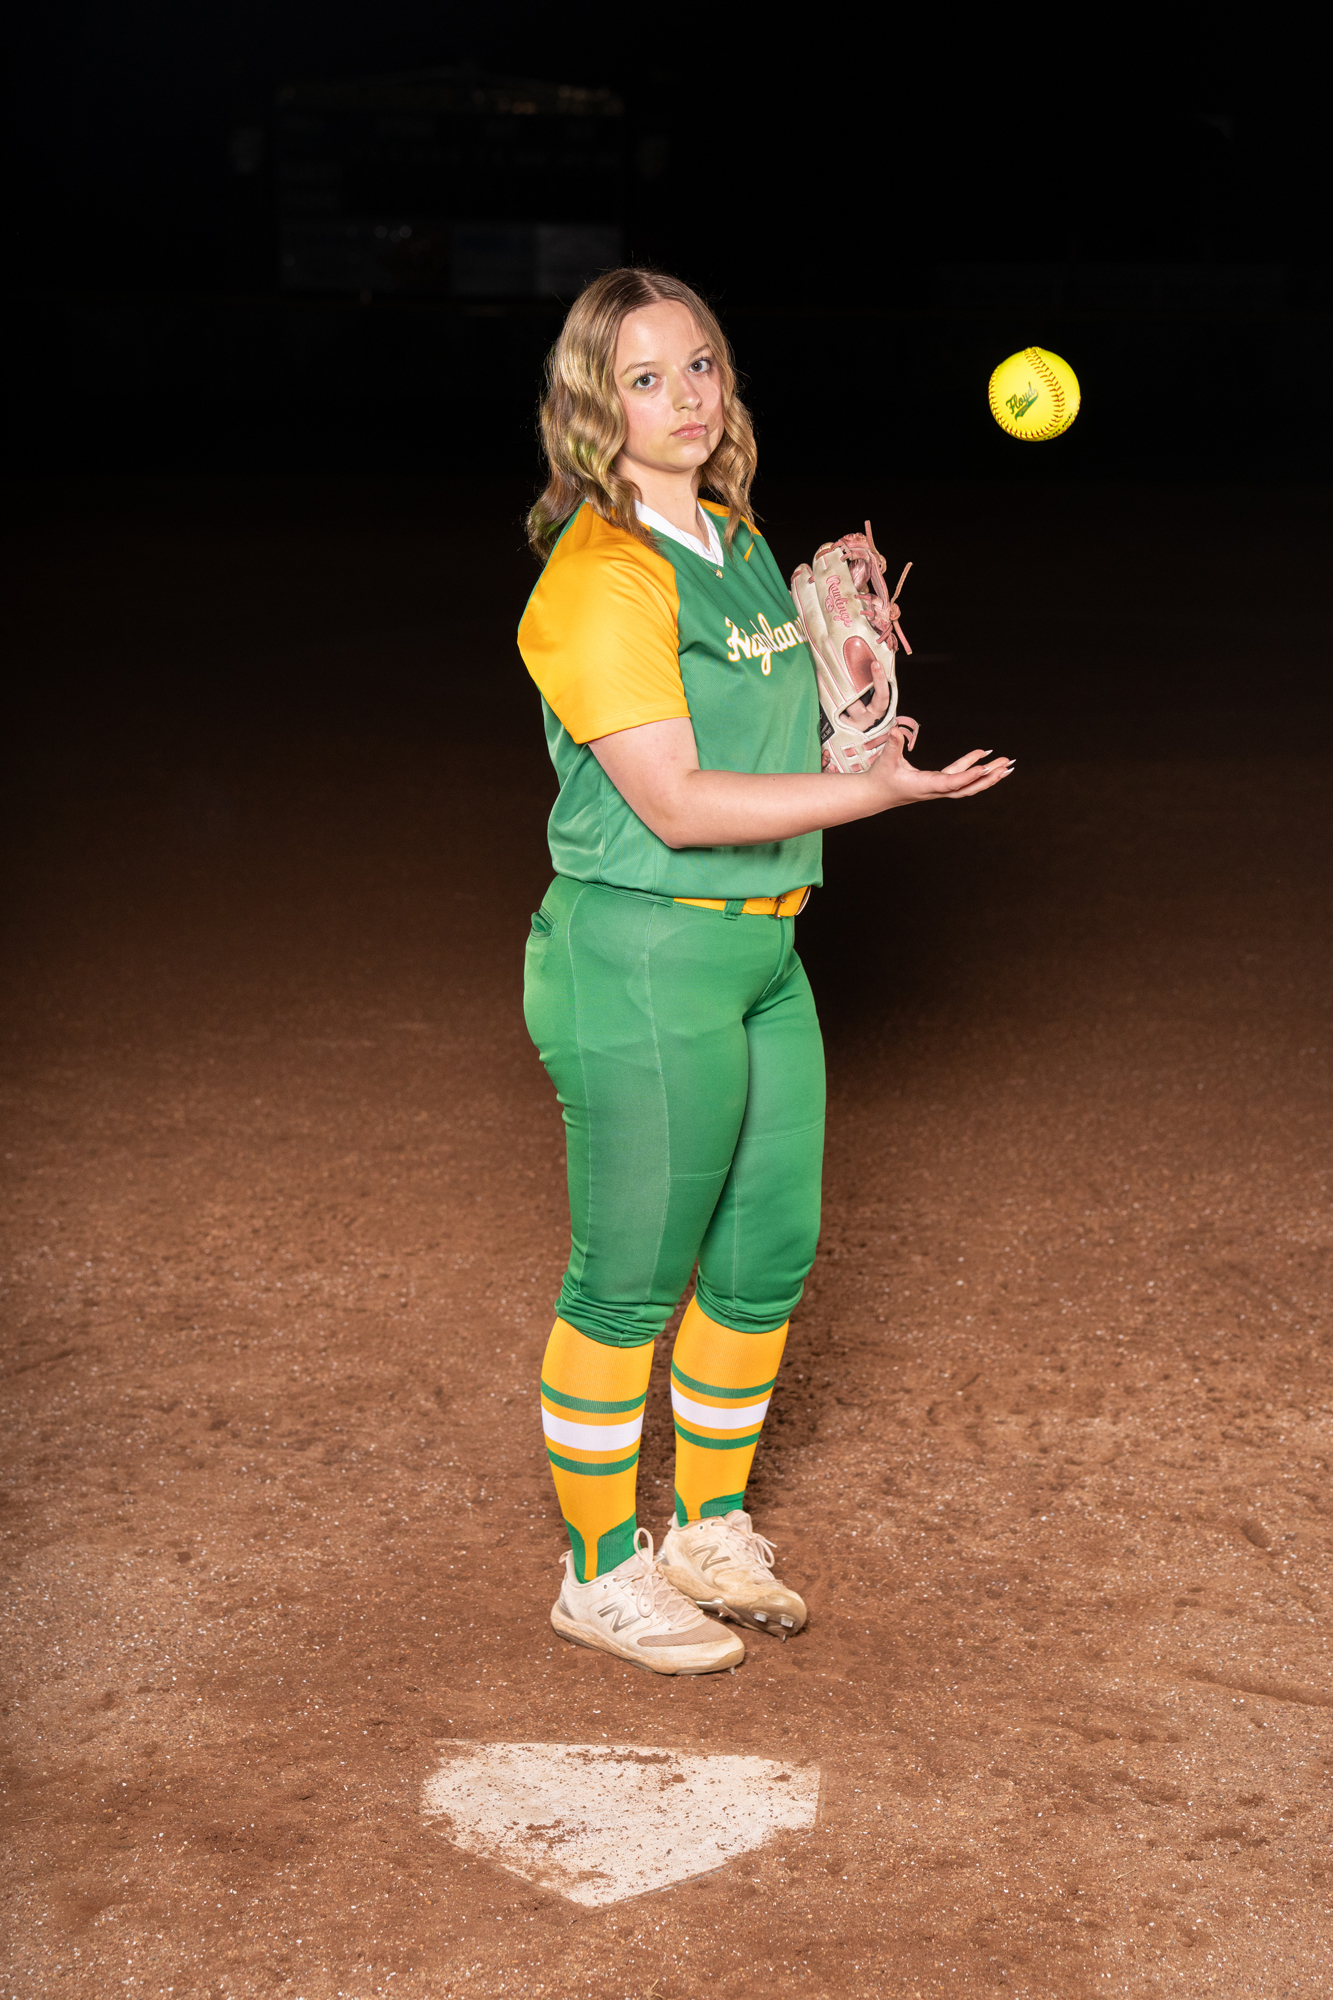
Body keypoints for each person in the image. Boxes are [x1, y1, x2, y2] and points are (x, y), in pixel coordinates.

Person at [518, 268, 1011, 1676]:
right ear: (594, 408)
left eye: (702, 365)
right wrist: (878, 797)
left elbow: (771, 750)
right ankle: (598, 1571)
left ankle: (707, 1529)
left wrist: (851, 741)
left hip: (760, 947)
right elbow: (676, 802)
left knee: (763, 1255)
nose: (686, 397)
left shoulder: (734, 542)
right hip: (643, 950)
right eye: (646, 378)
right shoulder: (599, 575)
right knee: (627, 1281)